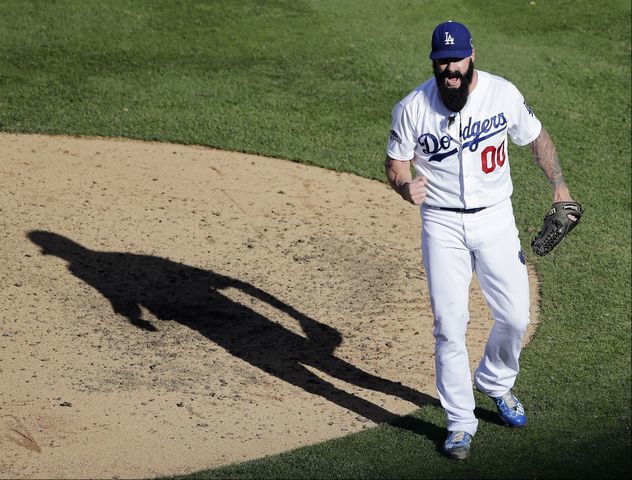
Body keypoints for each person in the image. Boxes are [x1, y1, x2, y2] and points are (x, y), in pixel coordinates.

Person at [384, 21, 577, 460]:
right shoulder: (413, 106)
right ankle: (459, 422)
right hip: (442, 226)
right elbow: (395, 162)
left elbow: (536, 138)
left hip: (495, 220)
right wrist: (402, 185)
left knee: (514, 316)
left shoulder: (501, 94)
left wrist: (560, 186)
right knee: (450, 327)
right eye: (441, 62)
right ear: (433, 62)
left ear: (472, 55)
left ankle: (494, 380)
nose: (449, 69)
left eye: (456, 60)